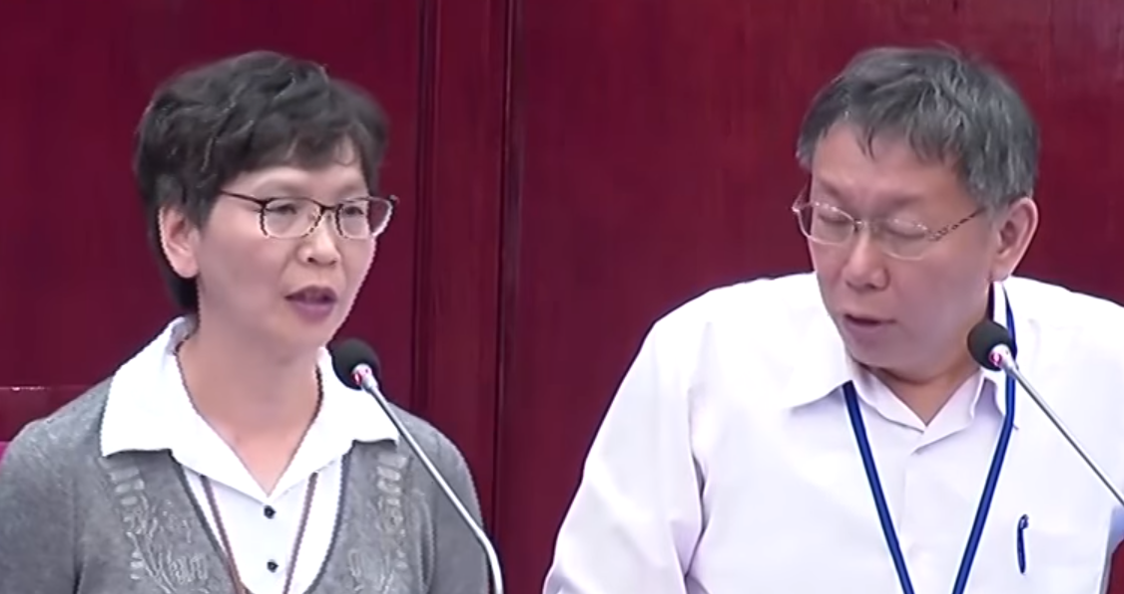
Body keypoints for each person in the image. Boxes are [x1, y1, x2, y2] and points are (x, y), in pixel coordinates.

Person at [543, 45, 1124, 593]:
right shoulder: (705, 360)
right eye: (832, 219)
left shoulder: (1103, 368)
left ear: (1007, 236)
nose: (859, 268)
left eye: (903, 231)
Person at [0, 50, 488, 594]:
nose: (325, 249)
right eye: (282, 209)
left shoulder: (426, 470)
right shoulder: (59, 471)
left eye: (350, 212)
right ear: (181, 234)